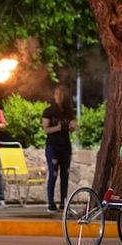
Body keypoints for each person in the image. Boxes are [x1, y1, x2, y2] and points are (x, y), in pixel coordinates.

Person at [41, 84, 77, 212]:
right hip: (53, 146)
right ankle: (51, 203)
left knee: (65, 174)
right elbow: (45, 129)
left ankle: (64, 202)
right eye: (57, 94)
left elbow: (74, 125)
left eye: (61, 94)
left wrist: (72, 126)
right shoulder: (49, 111)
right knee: (53, 173)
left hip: (65, 146)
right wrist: (58, 127)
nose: (59, 97)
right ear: (54, 96)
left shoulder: (68, 111)